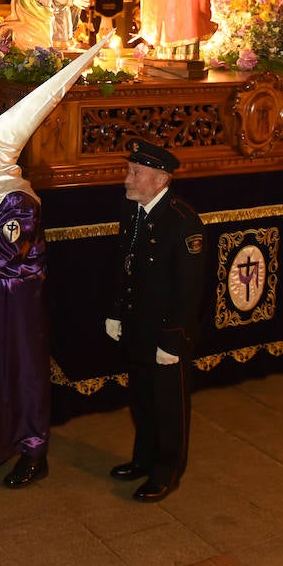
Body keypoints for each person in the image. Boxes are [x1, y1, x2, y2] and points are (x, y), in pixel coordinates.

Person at [0, 37, 106, 488]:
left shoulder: (20, 202)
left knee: (21, 372)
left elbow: (3, 250)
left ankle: (32, 450)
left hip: (17, 302)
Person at [104, 140, 207, 502]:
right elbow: (125, 265)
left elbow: (189, 290)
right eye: (129, 171)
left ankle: (168, 469)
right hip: (137, 325)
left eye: (135, 173)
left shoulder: (181, 222)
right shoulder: (133, 210)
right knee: (142, 400)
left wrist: (173, 339)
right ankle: (143, 459)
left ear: (161, 179)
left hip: (165, 331)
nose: (126, 179)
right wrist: (117, 310)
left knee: (168, 405)